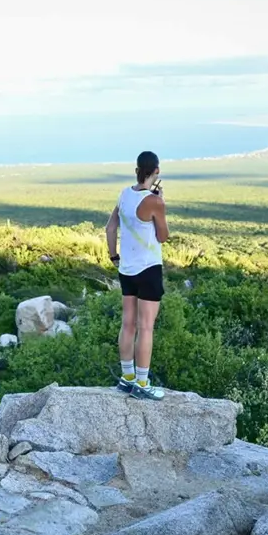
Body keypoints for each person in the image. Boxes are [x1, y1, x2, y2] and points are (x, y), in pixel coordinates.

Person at [105, 150, 169, 401]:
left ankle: (127, 378)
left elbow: (110, 227)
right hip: (149, 268)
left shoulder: (123, 195)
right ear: (156, 172)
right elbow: (163, 236)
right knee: (146, 327)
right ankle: (142, 383)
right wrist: (161, 202)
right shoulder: (155, 201)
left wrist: (114, 257)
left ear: (136, 171)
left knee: (128, 324)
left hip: (127, 268)